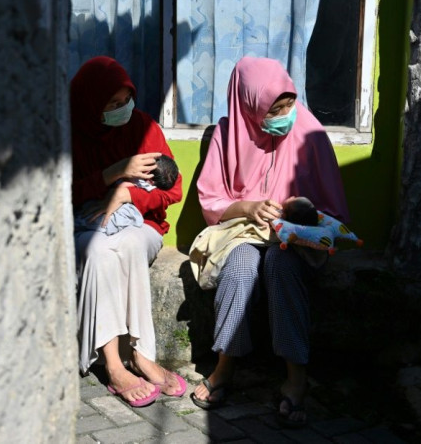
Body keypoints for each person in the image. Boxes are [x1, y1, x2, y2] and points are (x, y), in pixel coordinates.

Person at [191, 56, 350, 427]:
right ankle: (225, 365)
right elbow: (211, 201)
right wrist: (247, 206)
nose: (286, 115)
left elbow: (330, 212)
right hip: (243, 233)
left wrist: (298, 210)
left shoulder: (309, 132)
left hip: (293, 242)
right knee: (241, 265)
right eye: (273, 109)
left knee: (280, 267)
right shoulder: (227, 134)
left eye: (289, 104)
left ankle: (296, 378)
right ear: (249, 106)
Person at [71, 56, 186, 407]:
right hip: (85, 223)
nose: (123, 110)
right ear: (91, 104)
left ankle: (140, 354)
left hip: (142, 224)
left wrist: (127, 194)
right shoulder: (69, 134)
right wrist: (113, 172)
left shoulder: (145, 128)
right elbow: (57, 192)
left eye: (127, 101)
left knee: (131, 244)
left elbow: (174, 188)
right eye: (113, 104)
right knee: (97, 250)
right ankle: (112, 364)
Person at [73, 155, 180, 235]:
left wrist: (125, 192)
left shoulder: (146, 183)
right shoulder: (147, 179)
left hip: (129, 212)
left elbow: (174, 195)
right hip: (104, 205)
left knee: (103, 221)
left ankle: (79, 224)